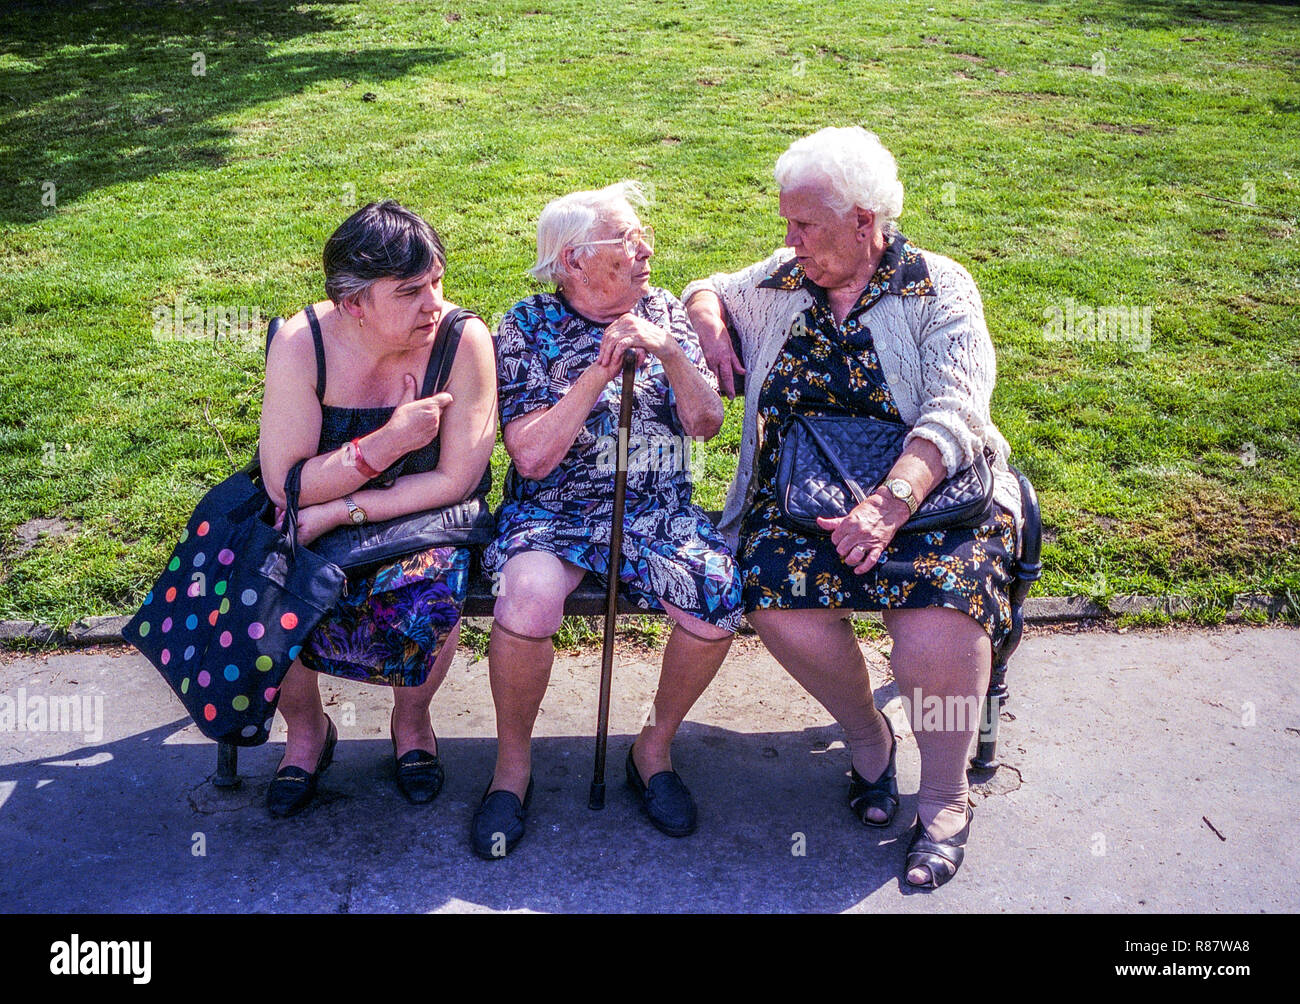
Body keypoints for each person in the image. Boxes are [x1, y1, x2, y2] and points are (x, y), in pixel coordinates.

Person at [681, 127, 1024, 889]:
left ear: (866, 223)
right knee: (776, 600)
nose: (789, 239)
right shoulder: (781, 280)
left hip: (931, 501)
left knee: (941, 621)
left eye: (805, 225)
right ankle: (869, 741)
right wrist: (708, 317)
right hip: (803, 502)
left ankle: (944, 796)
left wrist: (890, 504)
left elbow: (956, 413)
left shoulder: (939, 287)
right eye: (787, 223)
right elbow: (707, 284)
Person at [475, 181, 743, 858]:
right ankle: (512, 768)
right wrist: (597, 373)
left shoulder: (666, 309)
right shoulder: (526, 324)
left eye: (641, 233)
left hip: (655, 510)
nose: (645, 249)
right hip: (554, 511)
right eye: (625, 241)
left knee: (715, 595)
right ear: (572, 261)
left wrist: (673, 353)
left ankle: (652, 750)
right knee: (528, 598)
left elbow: (706, 423)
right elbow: (531, 457)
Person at [257, 200, 497, 817]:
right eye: (412, 291)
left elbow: (457, 479)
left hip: (422, 517)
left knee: (430, 592)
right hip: (309, 511)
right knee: (266, 581)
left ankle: (412, 722)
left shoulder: (462, 340)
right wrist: (388, 442)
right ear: (353, 303)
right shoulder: (302, 342)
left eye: (437, 281)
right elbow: (286, 484)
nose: (434, 303)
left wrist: (345, 507)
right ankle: (307, 732)